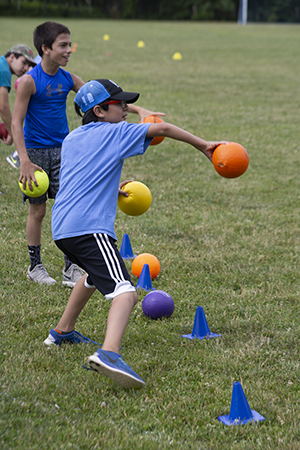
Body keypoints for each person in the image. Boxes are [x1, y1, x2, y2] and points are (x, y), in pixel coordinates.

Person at [43, 78, 227, 389]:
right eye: (121, 105)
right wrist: (204, 146)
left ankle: (62, 331)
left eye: (128, 103)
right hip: (89, 228)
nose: (126, 108)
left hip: (63, 228)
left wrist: (111, 186)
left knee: (91, 277)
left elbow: (82, 174)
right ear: (100, 111)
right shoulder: (115, 133)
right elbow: (162, 131)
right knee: (125, 292)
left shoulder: (74, 139)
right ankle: (109, 353)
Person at [12, 21, 162, 287]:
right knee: (38, 211)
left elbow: (99, 99)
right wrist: (24, 160)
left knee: (68, 203)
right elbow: (16, 122)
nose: (69, 50)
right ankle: (35, 266)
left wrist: (138, 111)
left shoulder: (68, 79)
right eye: (63, 45)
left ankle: (71, 267)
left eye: (70, 44)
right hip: (35, 154)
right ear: (45, 49)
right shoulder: (28, 82)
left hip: (64, 150)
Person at [0, 44, 36, 168]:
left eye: (28, 65)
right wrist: (12, 133)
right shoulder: (3, 70)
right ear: (11, 57)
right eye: (24, 62)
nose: (26, 68)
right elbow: (3, 107)